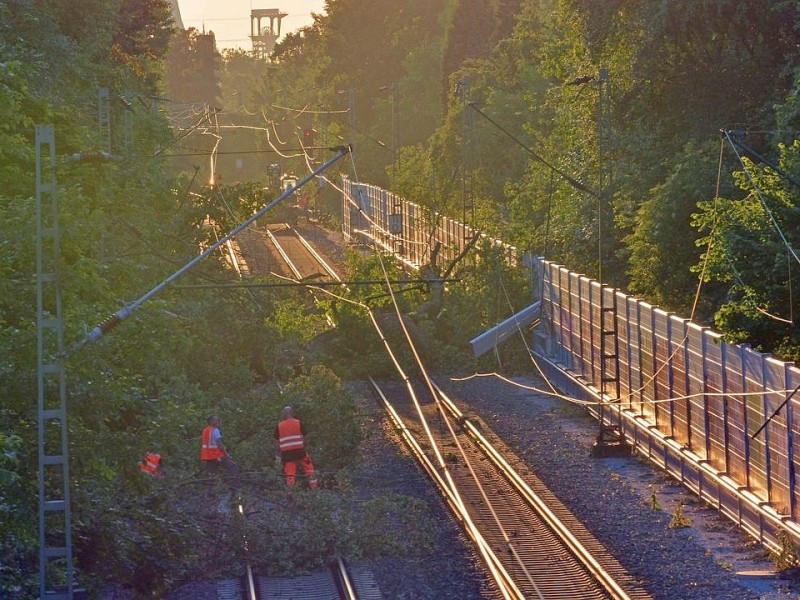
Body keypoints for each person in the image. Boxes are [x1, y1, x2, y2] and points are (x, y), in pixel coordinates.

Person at [275, 406, 318, 489]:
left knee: (290, 474)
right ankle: (315, 490)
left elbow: (276, 441)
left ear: (283, 414)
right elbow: (305, 436)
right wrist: (303, 446)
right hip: (300, 453)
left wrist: (278, 453)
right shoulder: (298, 423)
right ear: (292, 413)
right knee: (310, 469)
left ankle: (291, 493)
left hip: (287, 455)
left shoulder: (279, 426)